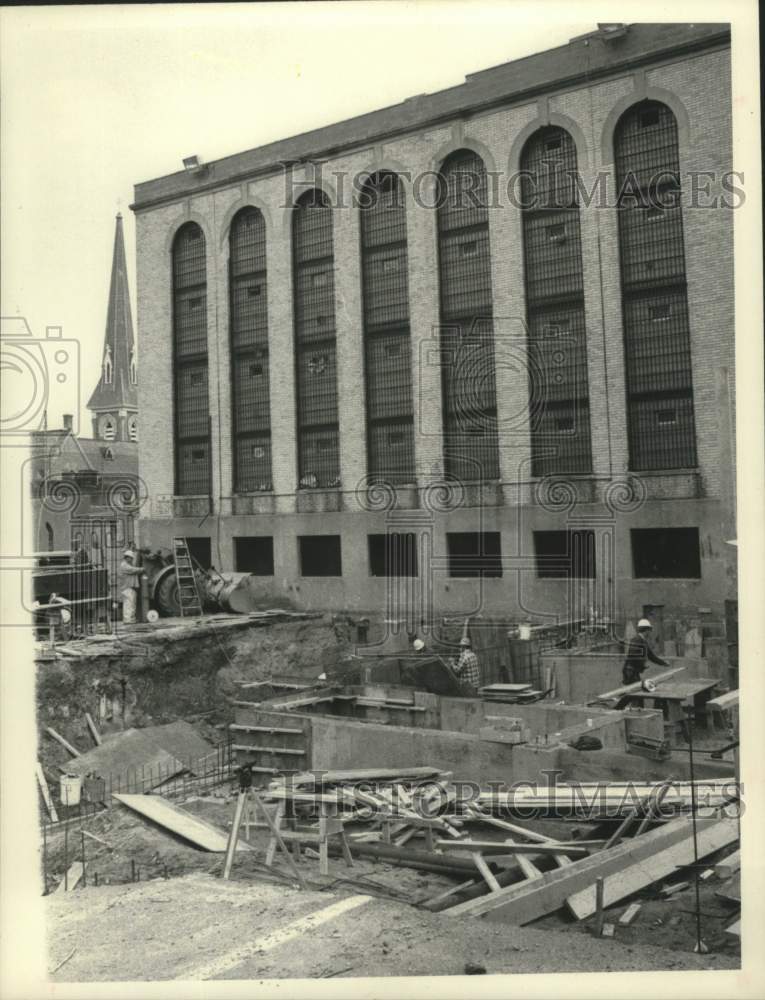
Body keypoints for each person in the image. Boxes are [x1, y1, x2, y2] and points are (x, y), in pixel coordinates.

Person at [621, 618, 669, 685]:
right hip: (630, 672)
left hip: (634, 671)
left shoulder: (643, 641)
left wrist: (663, 663)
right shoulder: (636, 640)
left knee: (638, 688)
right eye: (650, 630)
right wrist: (642, 664)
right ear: (646, 630)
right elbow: (632, 655)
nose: (650, 633)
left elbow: (651, 656)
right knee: (635, 689)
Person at [119, 548, 143, 624]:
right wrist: (142, 569)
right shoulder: (124, 565)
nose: (132, 559)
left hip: (129, 587)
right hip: (126, 587)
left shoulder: (127, 564)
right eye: (131, 558)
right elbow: (133, 570)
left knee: (132, 603)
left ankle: (131, 619)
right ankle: (127, 619)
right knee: (128, 604)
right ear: (127, 557)